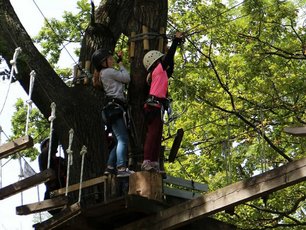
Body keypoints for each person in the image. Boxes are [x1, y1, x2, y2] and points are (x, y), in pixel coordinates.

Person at [142, 32, 184, 172]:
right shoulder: (157, 70)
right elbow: (169, 58)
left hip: (157, 106)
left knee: (158, 135)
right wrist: (175, 41)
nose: (163, 61)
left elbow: (170, 65)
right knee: (153, 134)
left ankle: (154, 162)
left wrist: (174, 44)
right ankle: (147, 161)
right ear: (155, 62)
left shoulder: (162, 73)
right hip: (153, 106)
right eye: (160, 59)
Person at [92, 48, 134, 177]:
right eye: (109, 59)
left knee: (118, 141)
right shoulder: (108, 72)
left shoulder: (104, 73)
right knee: (123, 139)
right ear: (103, 63)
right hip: (115, 109)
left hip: (111, 110)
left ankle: (110, 167)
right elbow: (127, 78)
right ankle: (121, 167)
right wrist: (121, 64)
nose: (112, 60)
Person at [38, 136, 66, 215]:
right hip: (53, 195)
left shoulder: (60, 160)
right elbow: (51, 148)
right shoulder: (43, 157)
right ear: (45, 146)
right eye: (49, 143)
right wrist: (55, 131)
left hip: (67, 192)